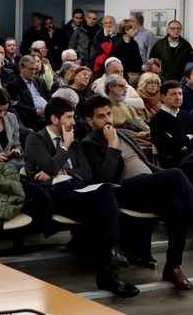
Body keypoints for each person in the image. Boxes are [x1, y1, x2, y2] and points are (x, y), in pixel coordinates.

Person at [80, 95, 193, 290]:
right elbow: (105, 176)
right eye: (101, 116)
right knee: (176, 173)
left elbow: (146, 164)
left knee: (177, 206)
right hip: (122, 191)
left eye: (109, 114)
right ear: (90, 121)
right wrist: (112, 145)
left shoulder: (123, 134)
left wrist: (165, 177)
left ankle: (173, 266)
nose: (107, 120)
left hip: (147, 186)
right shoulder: (89, 143)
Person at [25, 96, 139, 298]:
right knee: (104, 206)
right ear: (54, 119)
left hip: (78, 188)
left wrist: (62, 171)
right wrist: (64, 148)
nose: (73, 122)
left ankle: (109, 262)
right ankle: (110, 260)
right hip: (54, 194)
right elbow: (50, 166)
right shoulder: (36, 139)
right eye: (69, 117)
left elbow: (86, 173)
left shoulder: (75, 141)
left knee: (107, 190)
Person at [149, 80, 193, 166]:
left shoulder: (186, 115)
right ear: (163, 97)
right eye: (173, 94)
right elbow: (166, 147)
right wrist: (188, 137)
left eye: (180, 94)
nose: (178, 97)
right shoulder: (156, 120)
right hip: (175, 162)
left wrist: (179, 141)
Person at [5, 55, 51, 130]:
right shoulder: (14, 85)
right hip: (33, 117)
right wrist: (37, 112)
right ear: (21, 68)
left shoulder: (40, 81)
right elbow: (20, 106)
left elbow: (49, 97)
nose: (33, 72)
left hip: (48, 112)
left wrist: (50, 108)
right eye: (31, 69)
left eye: (35, 69)